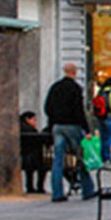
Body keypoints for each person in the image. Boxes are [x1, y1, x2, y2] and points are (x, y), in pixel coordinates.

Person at [44, 62, 96, 203]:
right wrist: (87, 130)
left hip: (57, 126)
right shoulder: (75, 89)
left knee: (58, 160)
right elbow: (79, 111)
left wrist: (53, 121)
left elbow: (47, 107)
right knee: (81, 157)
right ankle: (88, 189)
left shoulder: (55, 87)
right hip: (72, 125)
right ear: (75, 72)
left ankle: (57, 192)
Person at [19, 111, 46, 194]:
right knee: (41, 167)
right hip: (31, 156)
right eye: (34, 120)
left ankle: (30, 186)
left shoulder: (21, 128)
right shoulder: (29, 130)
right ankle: (39, 186)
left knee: (30, 170)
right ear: (27, 119)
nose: (35, 122)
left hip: (26, 156)